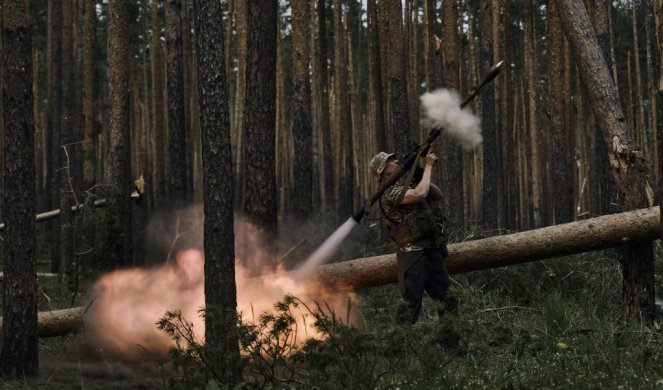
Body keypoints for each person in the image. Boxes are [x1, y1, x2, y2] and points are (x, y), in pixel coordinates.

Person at [369, 151, 457, 324]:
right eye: (390, 161)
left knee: (448, 302)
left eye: (394, 158)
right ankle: (401, 348)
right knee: (410, 308)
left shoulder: (407, 186)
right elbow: (419, 194)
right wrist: (429, 167)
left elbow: (437, 195)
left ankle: (453, 347)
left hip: (432, 252)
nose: (395, 161)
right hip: (413, 257)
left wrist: (419, 171)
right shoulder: (389, 192)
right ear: (382, 171)